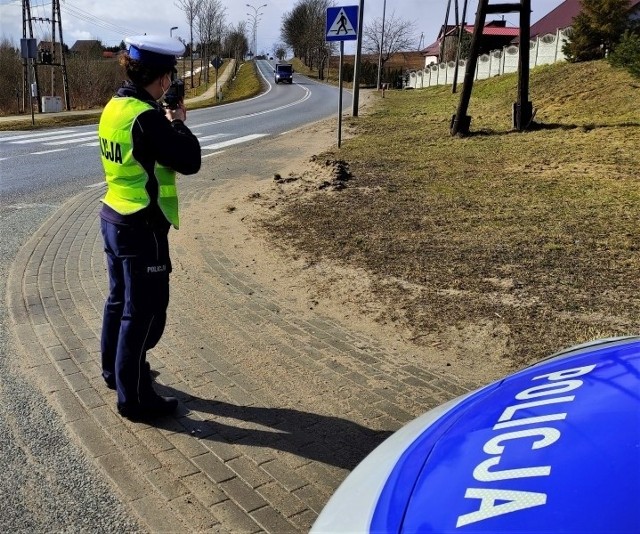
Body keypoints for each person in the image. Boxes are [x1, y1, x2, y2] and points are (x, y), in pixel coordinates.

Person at [98, 35, 201, 419]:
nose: (169, 84)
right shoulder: (148, 117)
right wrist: (178, 124)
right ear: (159, 78)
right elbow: (189, 161)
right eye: (169, 76)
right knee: (144, 314)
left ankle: (115, 372)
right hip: (142, 225)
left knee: (118, 302)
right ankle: (135, 398)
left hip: (113, 216)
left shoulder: (115, 106)